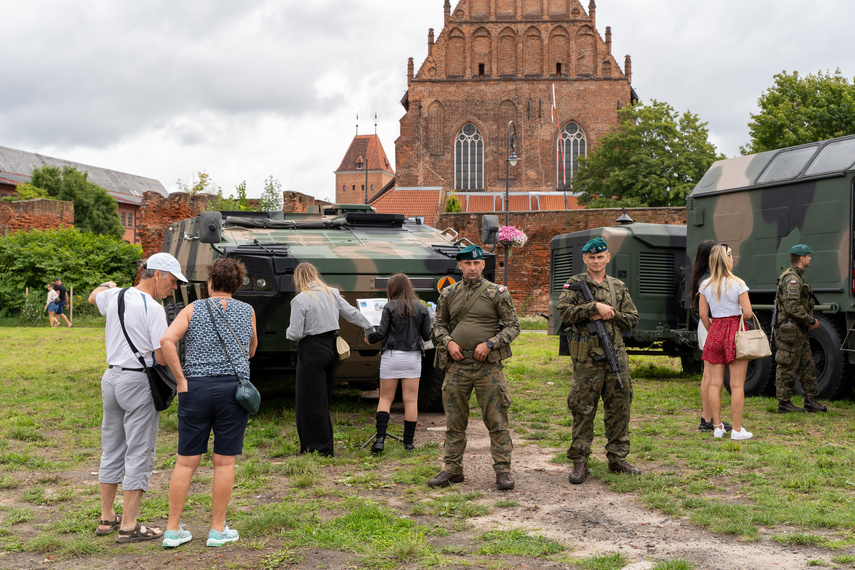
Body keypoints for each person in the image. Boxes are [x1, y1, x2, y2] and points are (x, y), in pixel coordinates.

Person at [87, 253, 186, 543]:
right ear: (156, 275)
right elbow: (160, 352)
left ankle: (107, 518)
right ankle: (129, 525)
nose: (173, 287)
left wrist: (107, 284)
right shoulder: (153, 309)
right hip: (137, 381)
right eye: (171, 280)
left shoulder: (115, 296)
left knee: (112, 448)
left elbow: (94, 297)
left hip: (111, 378)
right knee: (140, 451)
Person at [159, 258, 258, 548]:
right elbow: (251, 350)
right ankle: (217, 529)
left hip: (196, 388)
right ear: (237, 285)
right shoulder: (247, 311)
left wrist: (180, 380)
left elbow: (167, 341)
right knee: (224, 462)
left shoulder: (193, 309)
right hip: (232, 390)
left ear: (210, 283)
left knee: (186, 462)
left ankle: (173, 529)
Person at [427, 244, 520, 491]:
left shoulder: (497, 293)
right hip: (457, 365)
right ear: (460, 265)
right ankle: (452, 469)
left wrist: (491, 343)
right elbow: (438, 326)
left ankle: (503, 471)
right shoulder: (448, 294)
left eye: (476, 263)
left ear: (483, 266)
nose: (472, 267)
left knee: (497, 420)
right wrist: (448, 343)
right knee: (454, 421)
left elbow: (513, 326)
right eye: (467, 263)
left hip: (487, 367)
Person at [557, 237, 641, 485]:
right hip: (587, 360)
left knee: (619, 408)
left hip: (615, 355)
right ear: (584, 259)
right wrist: (593, 307)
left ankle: (617, 459)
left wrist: (610, 313)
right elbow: (564, 313)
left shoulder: (618, 287)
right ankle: (580, 461)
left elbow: (632, 318)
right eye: (591, 257)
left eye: (600, 256)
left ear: (607, 258)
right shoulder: (574, 284)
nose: (595, 261)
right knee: (583, 409)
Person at [286, 262, 374, 457]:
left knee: (308, 400)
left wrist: (287, 332)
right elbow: (351, 313)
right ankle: (326, 444)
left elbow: (295, 333)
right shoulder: (332, 292)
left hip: (311, 350)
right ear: (315, 274)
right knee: (323, 398)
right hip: (331, 348)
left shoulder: (301, 300)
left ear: (299, 278)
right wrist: (369, 327)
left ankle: (315, 447)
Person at [367, 273, 431, 453]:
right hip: (413, 357)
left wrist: (370, 338)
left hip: (392, 355)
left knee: (385, 398)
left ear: (392, 288)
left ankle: (380, 440)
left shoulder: (389, 306)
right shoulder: (422, 308)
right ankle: (408, 443)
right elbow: (427, 336)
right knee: (411, 400)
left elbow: (381, 333)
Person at [699, 244, 753, 440]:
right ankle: (737, 430)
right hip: (735, 332)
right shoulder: (738, 283)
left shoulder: (705, 285)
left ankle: (717, 427)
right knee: (737, 385)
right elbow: (747, 313)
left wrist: (713, 331)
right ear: (727, 259)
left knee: (714, 384)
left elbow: (704, 315)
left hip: (715, 332)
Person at [774, 244, 827, 414]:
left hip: (797, 329)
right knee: (787, 365)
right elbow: (791, 306)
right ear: (802, 258)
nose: (811, 258)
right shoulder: (792, 279)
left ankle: (810, 401)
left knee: (807, 365)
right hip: (789, 330)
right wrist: (811, 320)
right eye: (808, 256)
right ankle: (784, 403)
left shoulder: (797, 277)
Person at [690, 240, 732, 433]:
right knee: (710, 375)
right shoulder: (708, 279)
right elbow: (705, 313)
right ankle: (708, 419)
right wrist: (715, 329)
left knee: (708, 374)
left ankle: (708, 418)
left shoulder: (703, 277)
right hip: (712, 326)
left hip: (708, 326)